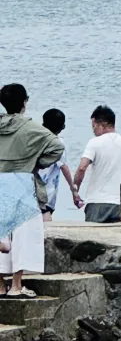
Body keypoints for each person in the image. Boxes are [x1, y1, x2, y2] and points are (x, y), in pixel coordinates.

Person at [0, 83, 64, 298]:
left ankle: (0, 285)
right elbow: (57, 146)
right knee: (24, 232)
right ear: (24, 103)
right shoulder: (31, 128)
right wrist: (36, 162)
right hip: (21, 180)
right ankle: (16, 285)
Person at [72, 106, 121, 223]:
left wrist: (75, 191)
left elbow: (82, 168)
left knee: (92, 234)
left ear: (103, 125)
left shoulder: (94, 143)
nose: (93, 130)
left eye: (94, 126)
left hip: (96, 203)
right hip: (118, 203)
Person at [38, 110, 81, 220]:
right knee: (45, 216)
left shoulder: (35, 139)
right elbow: (64, 167)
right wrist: (74, 190)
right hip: (47, 192)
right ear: (62, 127)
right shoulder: (57, 143)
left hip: (31, 189)